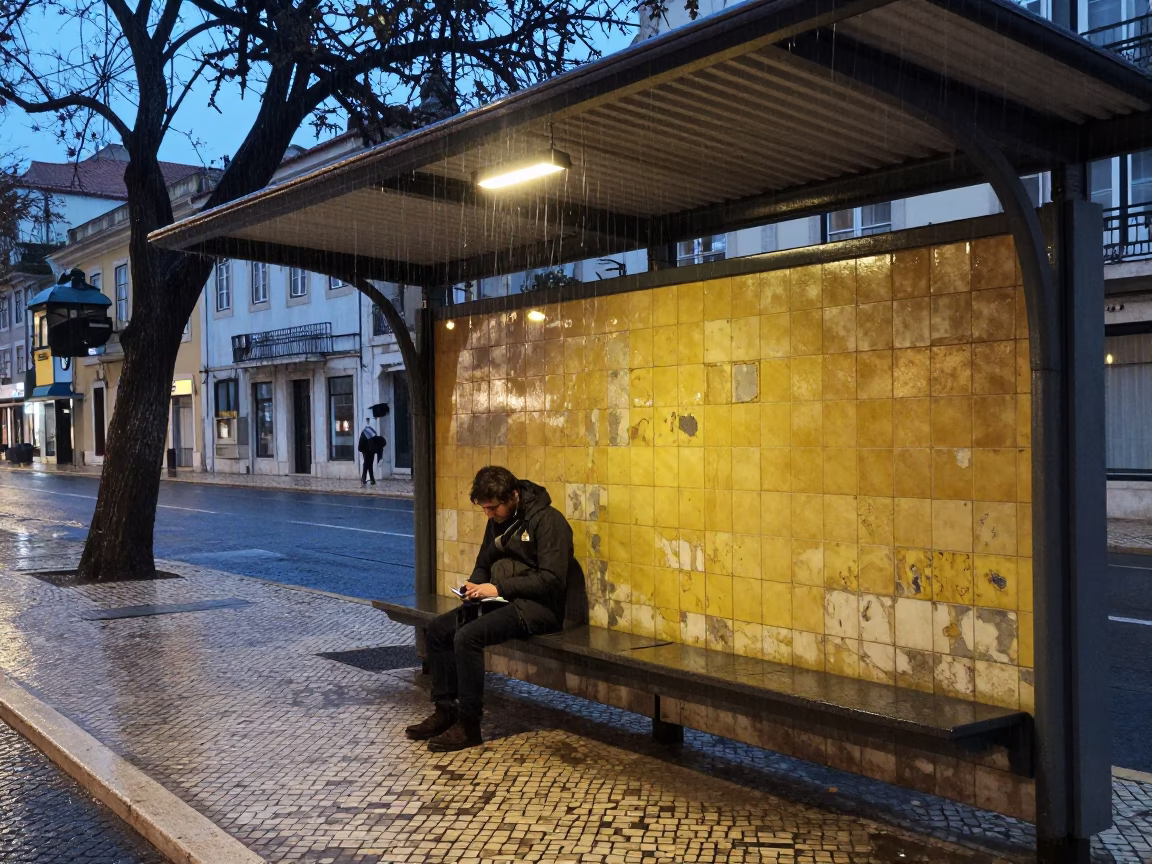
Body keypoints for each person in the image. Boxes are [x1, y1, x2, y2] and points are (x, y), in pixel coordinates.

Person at [406, 465, 574, 752]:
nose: (489, 514)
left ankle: (469, 725)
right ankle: (446, 710)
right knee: (437, 629)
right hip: (499, 601)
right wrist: (474, 587)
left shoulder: (548, 521)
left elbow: (552, 580)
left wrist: (499, 589)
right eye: (484, 509)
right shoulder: (496, 520)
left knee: (467, 636)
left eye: (493, 508)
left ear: (513, 495)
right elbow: (485, 562)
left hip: (537, 609)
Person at [358, 417, 378, 485]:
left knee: (368, 465)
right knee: (367, 464)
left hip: (369, 450)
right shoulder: (369, 431)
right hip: (367, 450)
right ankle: (367, 479)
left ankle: (367, 479)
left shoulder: (368, 431)